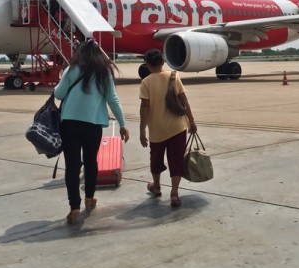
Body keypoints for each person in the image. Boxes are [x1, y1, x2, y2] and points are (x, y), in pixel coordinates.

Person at [54, 39, 129, 225]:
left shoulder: (72, 70)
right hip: (93, 125)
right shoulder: (105, 73)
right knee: (90, 162)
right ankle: (89, 198)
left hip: (69, 124)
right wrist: (122, 123)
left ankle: (74, 207)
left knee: (72, 166)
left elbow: (59, 94)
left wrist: (60, 80)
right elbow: (113, 99)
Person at [139, 49, 197, 208]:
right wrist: (191, 121)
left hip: (157, 129)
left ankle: (156, 187)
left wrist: (142, 130)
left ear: (147, 65)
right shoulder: (174, 77)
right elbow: (184, 101)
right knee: (176, 160)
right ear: (163, 62)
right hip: (178, 127)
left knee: (155, 159)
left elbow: (145, 107)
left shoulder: (146, 82)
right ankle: (174, 193)